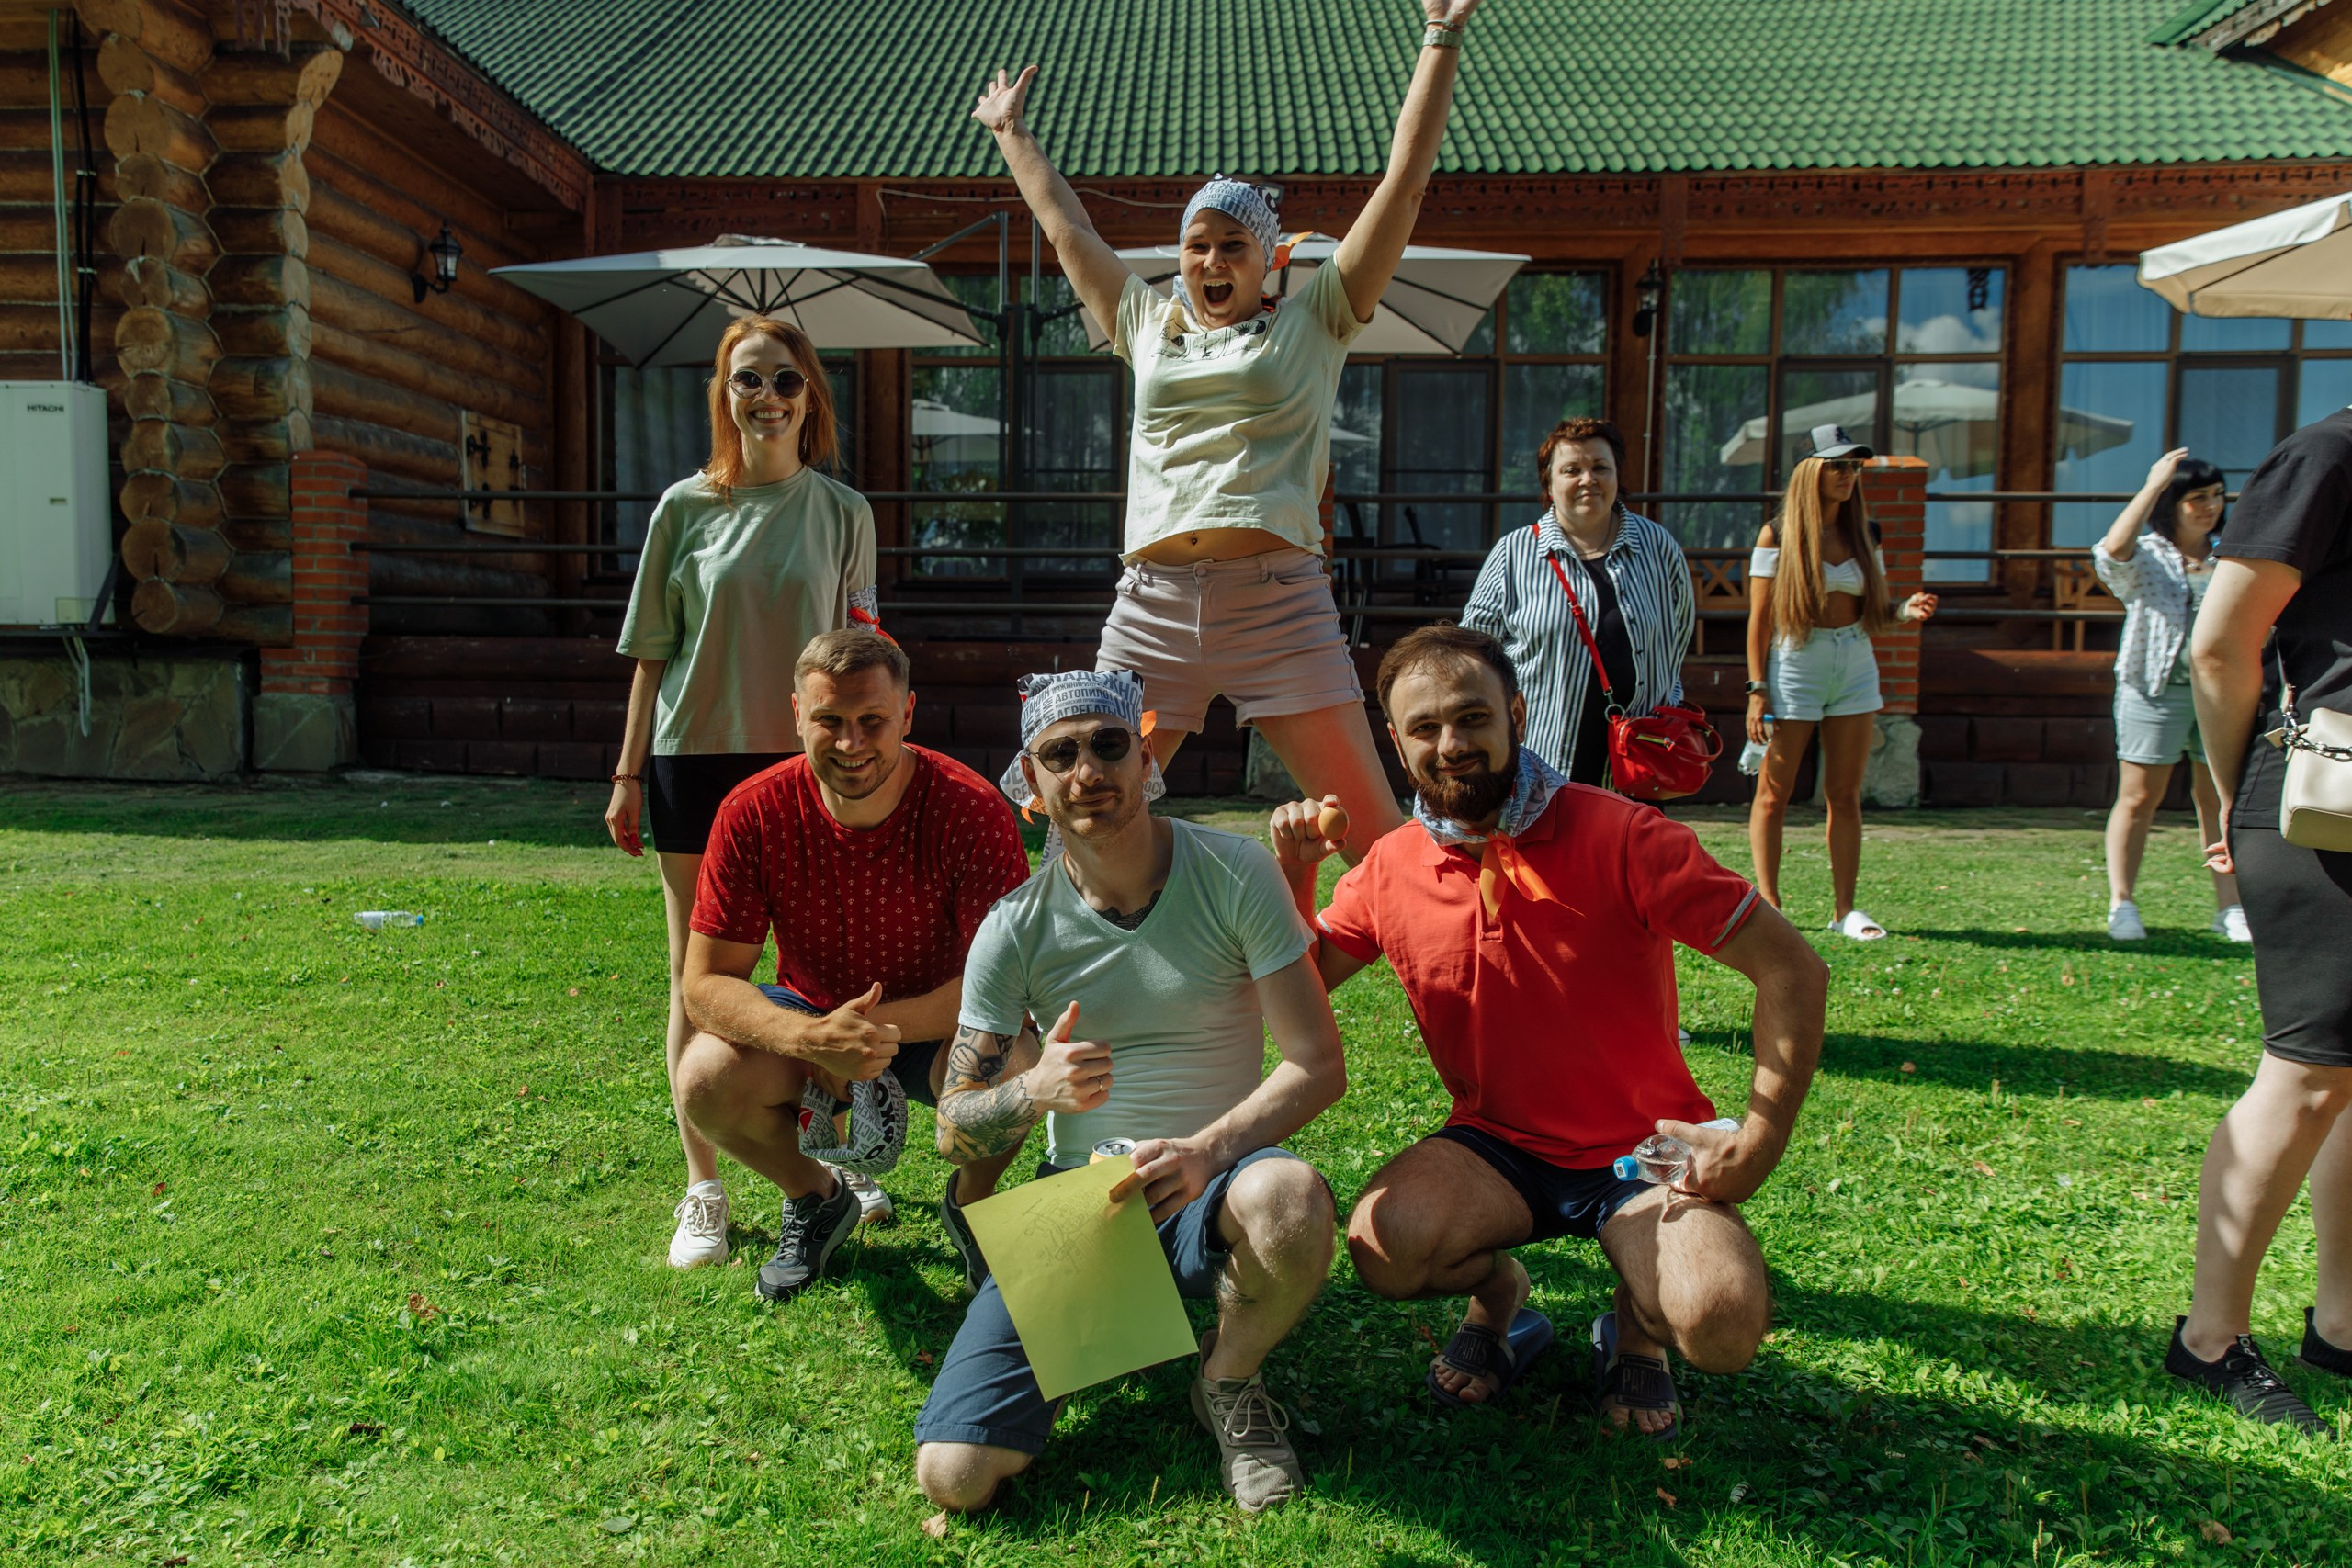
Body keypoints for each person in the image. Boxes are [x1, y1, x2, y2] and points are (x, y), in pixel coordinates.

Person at [1270, 625, 1826, 1438]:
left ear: (1517, 715)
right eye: (1424, 728)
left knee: (1721, 1322)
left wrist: (1758, 1143)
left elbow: (1793, 971)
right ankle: (1502, 1300)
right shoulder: (1390, 865)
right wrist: (1295, 870)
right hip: (1496, 1145)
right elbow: (1303, 986)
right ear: (1395, 742)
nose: (1450, 745)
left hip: (1643, 1154)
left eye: (1471, 719)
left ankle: (1635, 1327)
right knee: (1386, 1245)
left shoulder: (1623, 834)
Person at [967, 0, 1487, 860]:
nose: (1211, 261)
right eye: (1196, 245)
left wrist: (1441, 35)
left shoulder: (1318, 314)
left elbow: (1405, 181)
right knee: (1078, 831)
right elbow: (1067, 230)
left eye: (1234, 245)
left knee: (1377, 840)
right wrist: (1011, 132)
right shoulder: (1147, 322)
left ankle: (1459, 986)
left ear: (1270, 257)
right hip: (1152, 612)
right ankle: (1055, 991)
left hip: (1277, 603)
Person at [914, 670, 1346, 1517]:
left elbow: (1317, 1063)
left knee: (1288, 1199)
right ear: (1030, 783)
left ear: (1145, 758)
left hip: (1216, 1179)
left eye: (1109, 744)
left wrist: (1206, 1150)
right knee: (954, 1476)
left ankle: (1225, 1379)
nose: (1088, 770)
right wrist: (1032, 1090)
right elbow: (952, 1130)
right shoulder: (1014, 926)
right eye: (1060, 753)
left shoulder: (1234, 871)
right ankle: (1103, 1317)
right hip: (1087, 1201)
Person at [606, 317, 885, 1269]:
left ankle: (831, 1158)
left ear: (810, 396)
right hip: (695, 759)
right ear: (723, 397)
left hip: (805, 763)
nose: (764, 398)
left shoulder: (844, 512)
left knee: (823, 959)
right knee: (697, 970)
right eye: (745, 382)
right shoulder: (683, 509)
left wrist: (869, 750)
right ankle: (704, 1190)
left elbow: (862, 653)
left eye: (782, 381)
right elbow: (650, 655)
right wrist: (626, 771)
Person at [669, 630, 1032, 1303]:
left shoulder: (971, 807)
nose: (850, 743)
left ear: (909, 714)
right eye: (829, 721)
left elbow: (1005, 981)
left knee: (1015, 1070)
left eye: (873, 721)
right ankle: (815, 1197)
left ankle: (972, 1204)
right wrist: (811, 1040)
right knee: (704, 1078)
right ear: (797, 715)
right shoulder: (752, 811)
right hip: (809, 1024)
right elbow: (705, 983)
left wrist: (866, 1032)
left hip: (940, 1021)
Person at [2166, 402, 2352, 1433]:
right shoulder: (2328, 454)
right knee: (2310, 1071)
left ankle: (2342, 1324)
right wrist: (2242, 792)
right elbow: (2219, 647)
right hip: (2326, 797)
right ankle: (2207, 1339)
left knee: (2346, 1076)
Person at [1744, 424, 1939, 940]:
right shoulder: (1777, 534)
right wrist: (1756, 687)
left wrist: (1904, 610)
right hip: (1795, 661)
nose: (1848, 475)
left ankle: (1845, 911)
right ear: (1810, 471)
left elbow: (1874, 611)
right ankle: (1770, 904)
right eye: (1837, 465)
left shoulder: (1863, 533)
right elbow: (1759, 620)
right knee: (1774, 793)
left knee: (1846, 794)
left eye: (1854, 466)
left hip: (1854, 658)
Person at [1464, 416, 1695, 786]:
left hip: (1641, 755)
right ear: (1549, 483)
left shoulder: (1658, 546)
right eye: (1572, 470)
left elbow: (1677, 635)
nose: (1588, 479)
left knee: (1630, 845)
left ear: (1617, 476)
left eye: (1600, 467)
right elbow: (1473, 651)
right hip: (1542, 757)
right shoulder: (1514, 552)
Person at [2092, 449, 2246, 942]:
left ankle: (2230, 908)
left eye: (2217, 496)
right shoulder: (2149, 554)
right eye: (2196, 498)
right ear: (2172, 502)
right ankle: (2123, 905)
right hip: (2154, 691)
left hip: (2221, 695)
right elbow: (2112, 552)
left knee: (2218, 800)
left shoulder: (2233, 552)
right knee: (2138, 797)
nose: (2210, 506)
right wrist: (2154, 484)